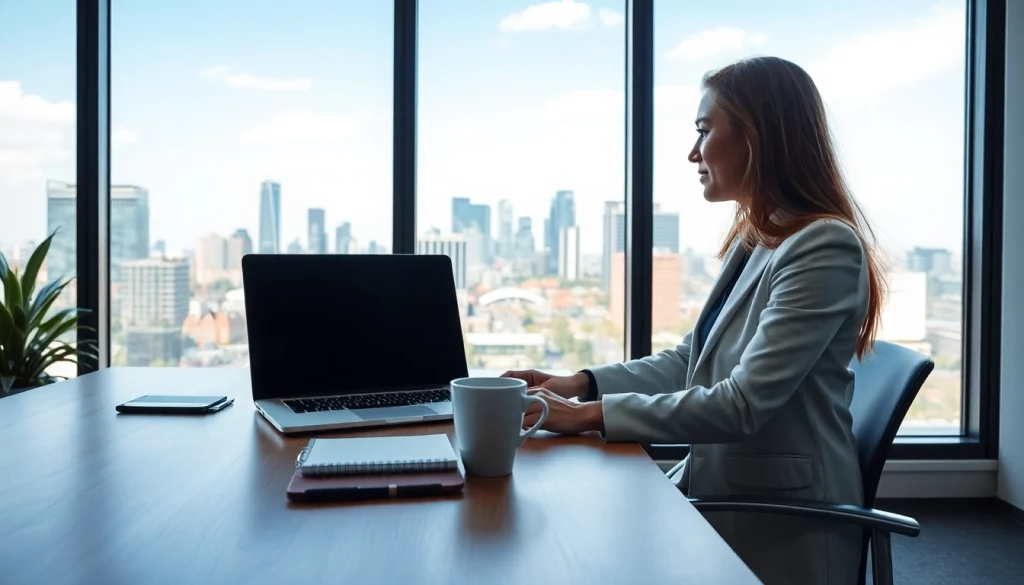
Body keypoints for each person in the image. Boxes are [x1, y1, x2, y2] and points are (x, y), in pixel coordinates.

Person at [501, 56, 887, 585]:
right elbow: (691, 360)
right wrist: (580, 384)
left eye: (704, 130)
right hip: (721, 492)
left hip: (779, 525)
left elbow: (742, 404)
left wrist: (585, 416)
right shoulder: (760, 240)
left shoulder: (822, 245)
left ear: (757, 135)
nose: (692, 153)